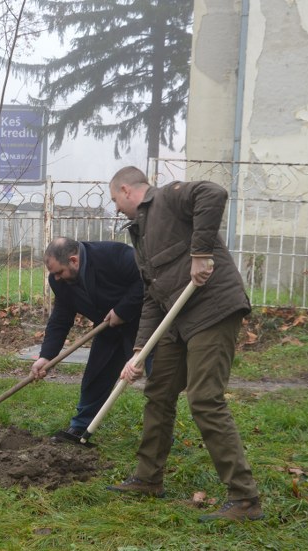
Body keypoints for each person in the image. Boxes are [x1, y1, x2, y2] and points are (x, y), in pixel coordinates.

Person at [106, 166, 263, 522]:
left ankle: (244, 500)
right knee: (158, 392)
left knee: (205, 399)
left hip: (212, 311)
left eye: (115, 199)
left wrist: (200, 253)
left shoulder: (168, 198)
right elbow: (151, 296)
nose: (115, 208)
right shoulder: (140, 234)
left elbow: (213, 193)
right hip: (176, 321)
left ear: (128, 190)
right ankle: (148, 478)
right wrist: (138, 350)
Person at [31, 237, 149, 446]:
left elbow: (147, 280)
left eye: (59, 272)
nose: (56, 279)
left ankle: (159, 433)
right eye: (53, 274)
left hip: (145, 325)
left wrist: (123, 310)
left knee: (159, 381)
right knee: (95, 376)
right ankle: (80, 427)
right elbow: (61, 318)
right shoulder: (60, 282)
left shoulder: (113, 255)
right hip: (109, 328)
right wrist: (46, 356)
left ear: (74, 260)